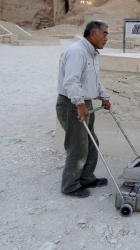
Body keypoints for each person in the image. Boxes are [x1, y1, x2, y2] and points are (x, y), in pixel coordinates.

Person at [56, 20, 112, 198]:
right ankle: (70, 186)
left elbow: (93, 80)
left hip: (83, 103)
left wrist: (104, 96)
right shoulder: (77, 52)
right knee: (77, 147)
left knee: (91, 143)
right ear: (93, 34)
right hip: (72, 104)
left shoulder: (92, 54)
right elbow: (71, 81)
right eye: (104, 33)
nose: (106, 38)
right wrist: (80, 104)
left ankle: (86, 178)